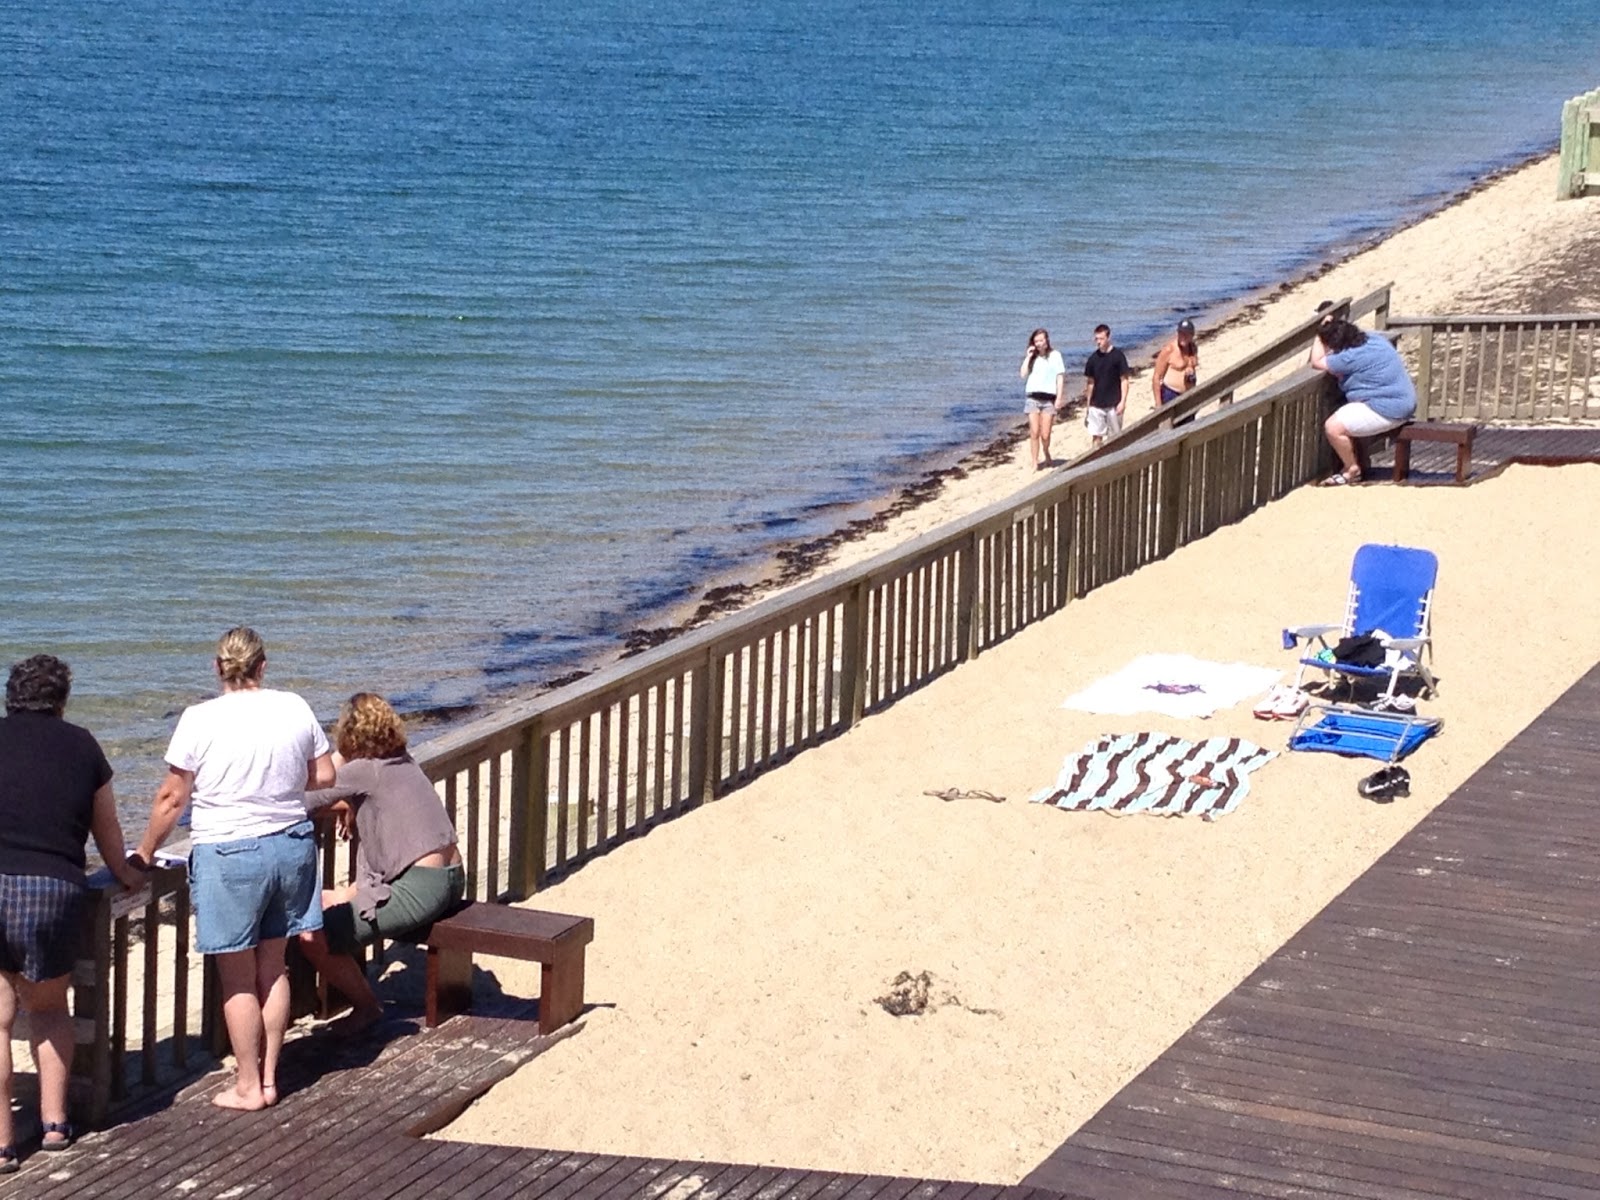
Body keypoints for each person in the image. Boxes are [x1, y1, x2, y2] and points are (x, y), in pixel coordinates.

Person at [133, 628, 333, 1111]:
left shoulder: (199, 718)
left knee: (238, 977)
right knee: (274, 966)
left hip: (229, 852)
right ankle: (269, 1077)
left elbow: (172, 797)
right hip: (290, 844)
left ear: (217, 668)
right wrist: (282, 785)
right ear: (263, 666)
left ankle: (247, 1085)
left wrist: (144, 851)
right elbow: (325, 774)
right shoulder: (294, 706)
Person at [0, 655, 145, 1169]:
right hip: (53, 886)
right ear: (61, 701)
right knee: (48, 1009)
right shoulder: (82, 745)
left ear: (10, 698)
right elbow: (107, 830)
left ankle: (2, 1143)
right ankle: (55, 1124)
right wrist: (126, 873)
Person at [298, 693, 464, 1036]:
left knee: (313, 935)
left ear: (349, 734)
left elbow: (306, 799)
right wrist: (349, 803)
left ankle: (367, 1007)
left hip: (423, 887)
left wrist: (339, 757)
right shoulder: (402, 760)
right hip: (452, 877)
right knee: (331, 899)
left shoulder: (364, 770)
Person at [1310, 315, 1416, 485]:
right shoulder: (1376, 340)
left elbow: (1316, 362)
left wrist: (1318, 334)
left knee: (1333, 428)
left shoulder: (1348, 358)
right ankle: (1357, 462)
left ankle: (1351, 469)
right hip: (1404, 401)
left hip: (1388, 409)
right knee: (1346, 416)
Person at [1019, 327, 1067, 470]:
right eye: (1036, 341)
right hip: (1032, 398)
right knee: (1034, 432)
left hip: (1048, 400)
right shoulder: (1033, 358)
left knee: (1045, 434)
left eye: (1041, 340)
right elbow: (1023, 374)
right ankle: (1034, 461)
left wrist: (1059, 398)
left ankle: (1046, 451)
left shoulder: (1055, 355)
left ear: (1046, 340)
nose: (1039, 343)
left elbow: (1060, 378)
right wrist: (1028, 357)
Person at [1081, 323, 1132, 447]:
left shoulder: (1118, 356)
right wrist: (1088, 405)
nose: (1099, 342)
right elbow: (1090, 383)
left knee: (1115, 438)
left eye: (1101, 339)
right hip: (1096, 404)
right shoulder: (1093, 359)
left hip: (1114, 404)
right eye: (1096, 339)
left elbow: (1124, 380)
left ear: (1108, 338)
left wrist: (1123, 402)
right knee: (1096, 437)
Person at [1152, 318, 1200, 407]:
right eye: (1181, 333)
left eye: (1186, 334)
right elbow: (1156, 377)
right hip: (1171, 394)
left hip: (1189, 394)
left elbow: (1193, 365)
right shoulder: (1169, 350)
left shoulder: (1193, 348)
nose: (1183, 337)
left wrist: (1190, 369)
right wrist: (1158, 404)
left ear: (1192, 335)